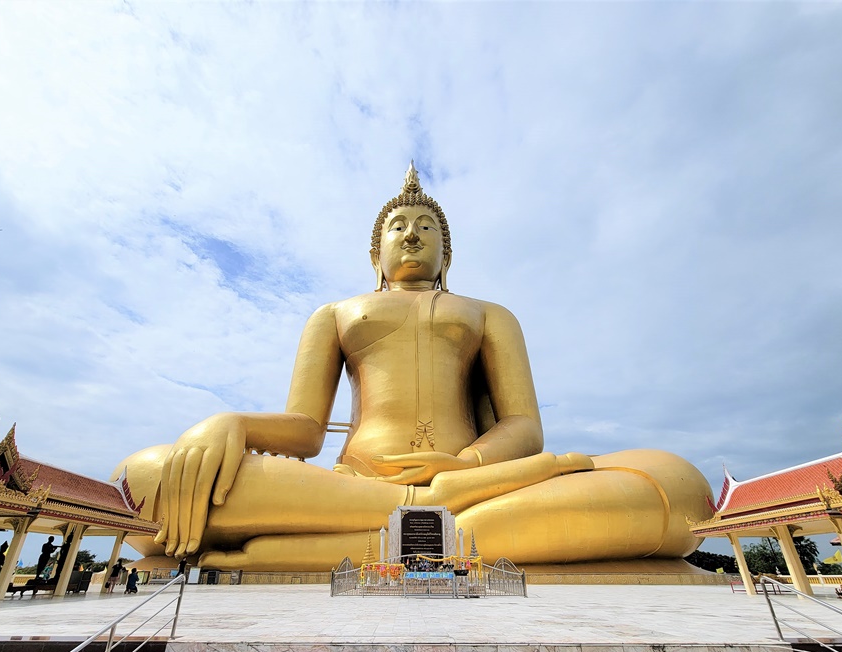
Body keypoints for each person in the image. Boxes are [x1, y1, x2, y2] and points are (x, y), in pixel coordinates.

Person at [114, 163, 713, 571]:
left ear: (447, 253)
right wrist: (233, 424)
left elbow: (525, 429)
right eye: (397, 227)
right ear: (374, 251)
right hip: (355, 487)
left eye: (425, 227)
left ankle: (367, 540)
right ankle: (431, 528)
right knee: (146, 484)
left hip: (478, 482)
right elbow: (304, 431)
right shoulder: (336, 313)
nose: (410, 234)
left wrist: (464, 466)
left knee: (679, 482)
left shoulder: (488, 314)